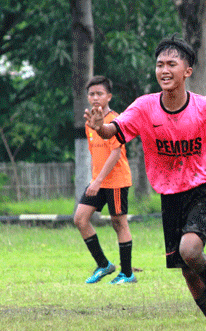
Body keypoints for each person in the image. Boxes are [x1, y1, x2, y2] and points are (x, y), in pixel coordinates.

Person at [85, 35, 206, 331]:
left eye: (172, 64)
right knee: (187, 270)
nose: (164, 70)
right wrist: (100, 127)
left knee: (190, 250)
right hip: (169, 194)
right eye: (160, 64)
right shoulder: (144, 108)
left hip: (203, 189)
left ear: (187, 71)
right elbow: (114, 130)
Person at [74, 75, 135, 285]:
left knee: (119, 223)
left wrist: (98, 181)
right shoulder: (90, 122)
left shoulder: (116, 121)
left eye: (99, 93)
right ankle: (103, 265)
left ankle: (127, 274)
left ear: (109, 96)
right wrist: (95, 179)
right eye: (91, 94)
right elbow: (95, 153)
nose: (95, 97)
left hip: (115, 180)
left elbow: (115, 154)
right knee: (80, 219)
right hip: (97, 181)